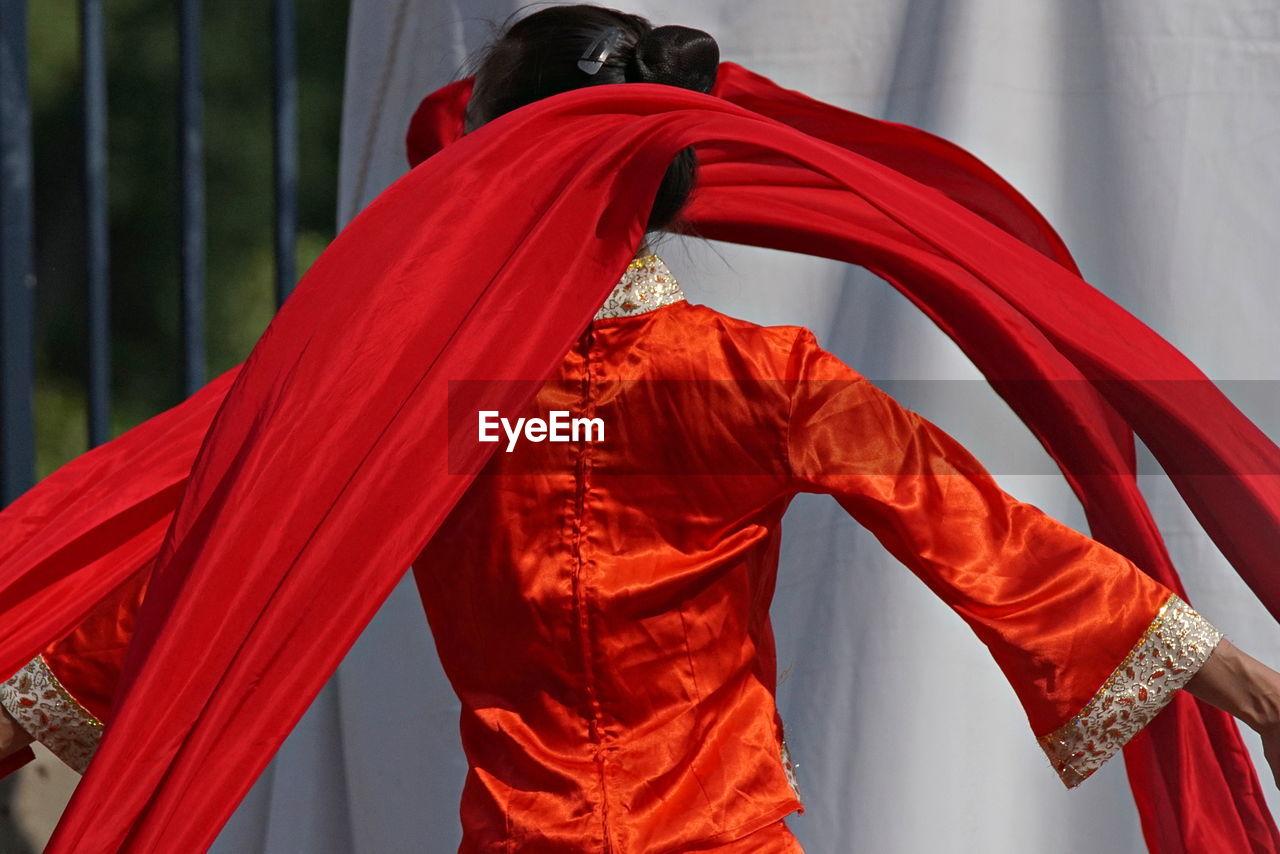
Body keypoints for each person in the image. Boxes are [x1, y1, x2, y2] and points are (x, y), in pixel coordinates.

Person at [4, 4, 1280, 852]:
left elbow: (208, 573)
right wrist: (1256, 691)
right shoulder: (758, 380)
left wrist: (25, 712)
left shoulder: (433, 404)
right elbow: (1000, 550)